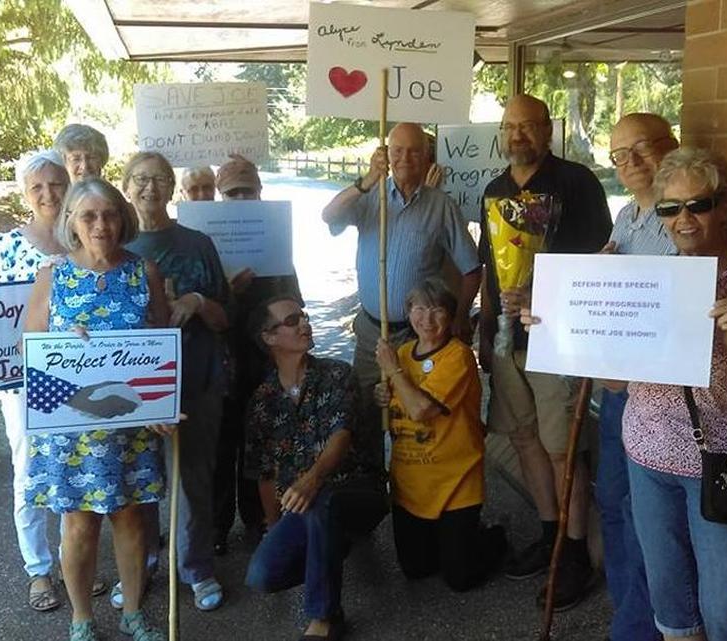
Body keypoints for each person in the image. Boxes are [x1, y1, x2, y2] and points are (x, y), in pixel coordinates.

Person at [620, 147, 727, 641]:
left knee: (725, 608)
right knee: (670, 606)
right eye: (670, 208)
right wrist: (563, 329)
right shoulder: (648, 276)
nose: (683, 219)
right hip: (646, 455)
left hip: (721, 464)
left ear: (726, 205)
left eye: (699, 205)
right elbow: (611, 377)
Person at [478, 93, 612, 610]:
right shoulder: (493, 189)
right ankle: (549, 531)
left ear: (547, 130)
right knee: (526, 439)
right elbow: (491, 269)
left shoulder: (577, 183)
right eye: (510, 126)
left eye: (529, 127)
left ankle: (574, 552)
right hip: (508, 342)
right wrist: (487, 334)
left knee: (563, 449)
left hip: (560, 340)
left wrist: (543, 295)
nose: (519, 135)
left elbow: (599, 266)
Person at [23, 177, 172, 641]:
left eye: (109, 213)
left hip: (131, 421)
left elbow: (162, 341)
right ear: (71, 220)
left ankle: (132, 612)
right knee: (78, 524)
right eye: (88, 215)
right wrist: (64, 346)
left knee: (131, 519)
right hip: (73, 426)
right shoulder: (54, 275)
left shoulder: (143, 271)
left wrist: (162, 401)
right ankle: (81, 617)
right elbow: (29, 346)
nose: (101, 224)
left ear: (122, 216)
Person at [0, 150, 112, 612]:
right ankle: (38, 570)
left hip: (83, 384)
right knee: (28, 473)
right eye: (37, 186)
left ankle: (72, 563)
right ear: (24, 193)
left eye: (55, 184)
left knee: (74, 474)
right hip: (23, 383)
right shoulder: (7, 247)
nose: (48, 194)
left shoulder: (85, 239)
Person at [321, 123, 480, 472]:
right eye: (397, 151)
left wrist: (459, 318)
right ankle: (370, 498)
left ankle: (413, 492)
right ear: (386, 155)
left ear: (427, 158)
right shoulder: (369, 197)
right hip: (370, 333)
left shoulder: (442, 206)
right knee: (366, 413)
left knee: (412, 417)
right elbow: (328, 216)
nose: (405, 158)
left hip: (418, 335)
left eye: (414, 151)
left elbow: (471, 268)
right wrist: (366, 181)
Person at [121, 152, 231, 611]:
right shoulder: (115, 247)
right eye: (141, 180)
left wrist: (197, 301)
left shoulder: (198, 243)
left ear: (173, 189)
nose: (151, 188)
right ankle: (141, 563)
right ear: (126, 186)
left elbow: (225, 319)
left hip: (197, 380)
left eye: (160, 180)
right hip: (131, 389)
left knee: (192, 478)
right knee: (137, 480)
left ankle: (196, 567)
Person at [244, 295, 389, 641]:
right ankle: (330, 547)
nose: (304, 324)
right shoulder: (262, 400)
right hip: (305, 505)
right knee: (262, 575)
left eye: (304, 316)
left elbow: (340, 437)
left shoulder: (337, 374)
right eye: (292, 321)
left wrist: (311, 480)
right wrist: (274, 527)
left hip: (357, 493)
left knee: (323, 500)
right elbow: (265, 473)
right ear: (269, 337)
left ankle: (324, 619)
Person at [596, 112, 678, 639]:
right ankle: (626, 606)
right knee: (611, 501)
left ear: (671, 147)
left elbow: (675, 316)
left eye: (641, 149)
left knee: (646, 517)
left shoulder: (685, 219)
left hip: (654, 396)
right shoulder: (626, 218)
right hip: (613, 392)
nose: (630, 163)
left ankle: (638, 627)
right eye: (619, 155)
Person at [373, 278, 507, 591]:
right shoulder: (403, 353)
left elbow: (421, 409)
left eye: (437, 311)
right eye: (419, 309)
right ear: (408, 313)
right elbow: (397, 399)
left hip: (455, 483)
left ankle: (493, 537)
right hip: (411, 485)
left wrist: (393, 371)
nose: (427, 319)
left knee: (460, 579)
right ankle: (449, 541)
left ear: (450, 316)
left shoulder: (457, 357)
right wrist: (382, 392)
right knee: (417, 569)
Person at [212, 154, 303, 556]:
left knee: (260, 445)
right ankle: (216, 527)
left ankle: (258, 520)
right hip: (221, 363)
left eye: (248, 190)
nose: (242, 198)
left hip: (264, 363)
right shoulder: (207, 239)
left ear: (260, 192)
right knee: (220, 447)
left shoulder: (274, 238)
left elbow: (294, 302)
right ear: (221, 196)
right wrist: (227, 290)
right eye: (233, 193)